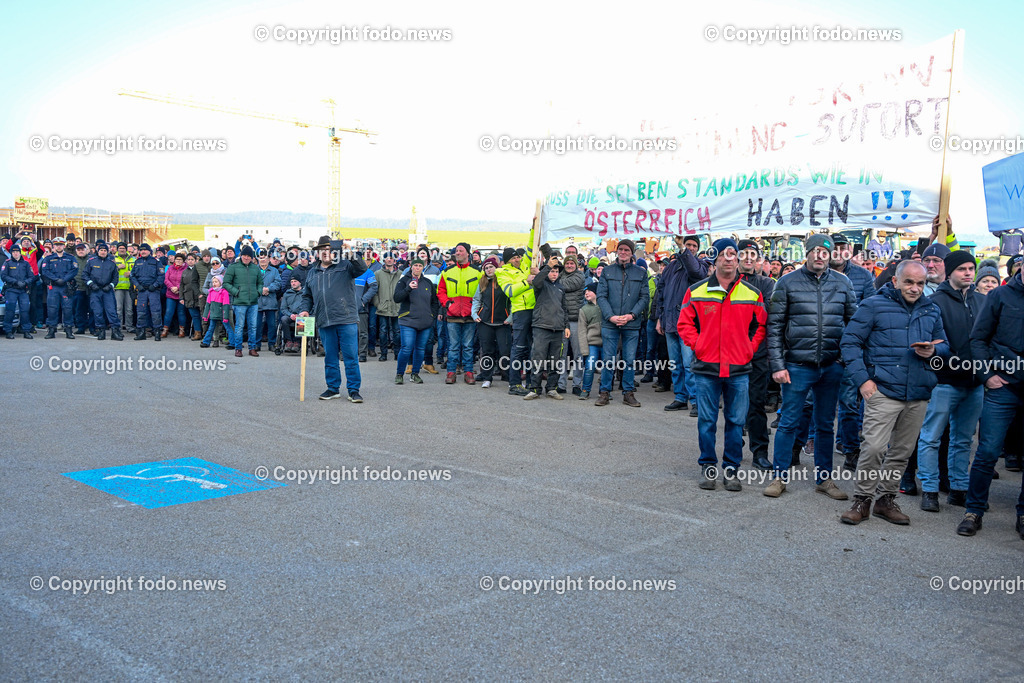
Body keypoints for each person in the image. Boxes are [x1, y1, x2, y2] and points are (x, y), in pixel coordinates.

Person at [839, 260, 948, 525]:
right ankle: (862, 499)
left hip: (918, 392)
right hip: (883, 389)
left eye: (920, 283)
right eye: (909, 282)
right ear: (895, 281)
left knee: (902, 451)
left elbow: (945, 346)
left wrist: (934, 351)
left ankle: (885, 500)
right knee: (874, 447)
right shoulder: (874, 305)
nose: (914, 288)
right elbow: (850, 342)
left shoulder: (931, 309)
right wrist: (863, 382)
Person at [763, 234, 857, 500]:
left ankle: (824, 479)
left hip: (831, 366)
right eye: (815, 251)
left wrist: (842, 358)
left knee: (826, 425)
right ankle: (779, 477)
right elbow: (775, 327)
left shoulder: (843, 283)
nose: (819, 256)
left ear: (830, 255)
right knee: (788, 423)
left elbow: (855, 323)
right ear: (806, 253)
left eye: (824, 252)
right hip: (796, 366)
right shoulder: (787, 282)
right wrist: (778, 365)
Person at [678, 238, 767, 490]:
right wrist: (699, 345)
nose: (729, 258)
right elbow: (684, 324)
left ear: (737, 259)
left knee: (736, 422)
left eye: (733, 254)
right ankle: (708, 466)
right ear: (714, 258)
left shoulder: (752, 293)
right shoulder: (696, 291)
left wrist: (748, 349)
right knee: (706, 420)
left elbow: (761, 326)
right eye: (724, 254)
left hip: (738, 369)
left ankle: (731, 469)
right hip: (707, 369)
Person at [957, 259, 1024, 539]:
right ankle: (973, 511)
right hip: (1003, 387)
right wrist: (987, 376)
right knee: (986, 453)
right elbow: (978, 339)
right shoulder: (1000, 295)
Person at [915, 250, 984, 512]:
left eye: (971, 268)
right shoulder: (934, 302)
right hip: (943, 381)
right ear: (951, 272)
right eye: (962, 269)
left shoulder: (981, 301)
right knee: (931, 437)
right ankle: (930, 489)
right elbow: (930, 342)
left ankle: (959, 488)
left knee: (963, 439)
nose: (968, 273)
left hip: (974, 383)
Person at [829, 234, 879, 470]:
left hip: (851, 348)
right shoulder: (817, 272)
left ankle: (850, 450)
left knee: (849, 403)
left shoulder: (863, 275)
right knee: (813, 401)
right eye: (834, 247)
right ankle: (805, 441)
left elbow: (870, 310)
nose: (839, 252)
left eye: (843, 247)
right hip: (821, 347)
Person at [299, 236, 367, 402]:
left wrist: (350, 251)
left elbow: (362, 268)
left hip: (346, 318)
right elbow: (306, 295)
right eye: (322, 250)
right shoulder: (312, 272)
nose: (325, 253)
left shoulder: (345, 265)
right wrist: (304, 310)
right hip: (324, 320)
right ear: (318, 253)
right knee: (330, 357)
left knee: (350, 357)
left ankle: (353, 390)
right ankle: (332, 388)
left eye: (329, 249)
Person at [595, 239, 650, 407]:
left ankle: (628, 392)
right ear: (616, 251)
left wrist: (631, 315)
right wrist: (611, 316)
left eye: (627, 250)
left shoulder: (640, 273)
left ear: (632, 253)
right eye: (621, 249)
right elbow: (601, 296)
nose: (623, 252)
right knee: (608, 360)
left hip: (631, 324)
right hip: (610, 323)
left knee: (629, 360)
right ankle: (604, 392)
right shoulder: (607, 271)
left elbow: (644, 297)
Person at [736, 239, 775, 470]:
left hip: (757, 351)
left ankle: (759, 451)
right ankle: (733, 446)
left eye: (753, 254)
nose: (749, 258)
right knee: (733, 402)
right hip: (731, 350)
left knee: (757, 403)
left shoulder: (767, 283)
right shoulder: (727, 281)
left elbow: (765, 313)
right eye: (744, 253)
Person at [524, 259, 571, 400]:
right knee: (538, 359)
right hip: (541, 327)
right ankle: (534, 388)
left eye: (556, 271)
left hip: (557, 329)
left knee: (555, 361)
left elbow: (564, 309)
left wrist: (566, 326)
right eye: (552, 271)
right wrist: (547, 267)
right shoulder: (541, 285)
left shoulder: (561, 288)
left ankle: (551, 388)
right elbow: (536, 281)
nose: (554, 273)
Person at [438, 242, 480, 384]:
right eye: (456, 251)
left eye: (461, 251)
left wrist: (476, 307)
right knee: (453, 346)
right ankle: (451, 372)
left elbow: (483, 291)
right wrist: (448, 304)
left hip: (470, 314)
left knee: (468, 346)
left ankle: (468, 372)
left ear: (468, 253)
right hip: (452, 315)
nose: (458, 253)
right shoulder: (447, 272)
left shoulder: (477, 272)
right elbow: (441, 291)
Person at [496, 246, 536, 395]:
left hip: (535, 310)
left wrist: (534, 226)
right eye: (513, 258)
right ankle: (514, 384)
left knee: (533, 349)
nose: (517, 259)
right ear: (507, 261)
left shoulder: (524, 264)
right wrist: (527, 282)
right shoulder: (502, 272)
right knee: (519, 348)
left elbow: (531, 247)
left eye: (518, 257)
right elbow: (510, 291)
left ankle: (532, 383)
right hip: (520, 312)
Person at [393, 258, 439, 384]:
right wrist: (408, 288)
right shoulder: (403, 281)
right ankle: (399, 374)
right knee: (407, 347)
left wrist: (432, 315)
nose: (417, 267)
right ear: (411, 267)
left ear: (423, 267)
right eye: (415, 265)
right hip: (408, 320)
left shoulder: (428, 282)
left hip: (425, 321)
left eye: (420, 265)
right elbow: (396, 298)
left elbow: (434, 301)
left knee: (420, 349)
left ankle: (415, 374)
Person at [472, 256, 511, 389]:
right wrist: (474, 313)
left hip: (503, 322)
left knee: (505, 350)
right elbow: (477, 299)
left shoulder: (504, 281)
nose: (488, 270)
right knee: (487, 351)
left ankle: (509, 375)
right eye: (486, 268)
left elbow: (512, 300)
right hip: (485, 321)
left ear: (496, 268)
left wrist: (510, 317)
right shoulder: (482, 282)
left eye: (491, 267)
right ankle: (487, 377)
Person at [223, 245, 263, 357]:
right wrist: (236, 292)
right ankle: (238, 348)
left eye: (249, 256)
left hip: (253, 302)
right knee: (239, 326)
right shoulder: (233, 267)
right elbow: (226, 283)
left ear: (252, 257)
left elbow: (260, 283)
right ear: (241, 256)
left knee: (253, 326)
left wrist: (258, 292)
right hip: (239, 302)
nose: (246, 258)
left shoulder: (255, 268)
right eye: (244, 255)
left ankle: (252, 348)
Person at [557, 253, 586, 394]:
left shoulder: (579, 276)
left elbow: (565, 286)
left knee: (578, 354)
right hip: (562, 320)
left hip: (575, 320)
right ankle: (561, 384)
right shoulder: (559, 274)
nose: (569, 265)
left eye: (572, 264)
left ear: (576, 265)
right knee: (562, 354)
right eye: (567, 263)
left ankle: (576, 384)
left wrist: (552, 279)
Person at [39, 236, 78, 339]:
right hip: (54, 287)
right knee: (52, 309)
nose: (58, 247)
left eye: (60, 245)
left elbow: (74, 270)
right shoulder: (49, 258)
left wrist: (64, 279)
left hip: (66, 287)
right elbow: (45, 271)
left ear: (63, 246)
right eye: (56, 245)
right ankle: (51, 330)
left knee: (68, 309)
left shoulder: (70, 258)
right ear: (54, 246)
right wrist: (56, 279)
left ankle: (69, 330)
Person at [83, 241, 123, 340]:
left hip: (107, 291)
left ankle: (115, 332)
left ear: (107, 251)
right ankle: (100, 331)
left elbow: (115, 278)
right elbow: (85, 275)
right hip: (95, 290)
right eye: (101, 250)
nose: (103, 252)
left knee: (111, 311)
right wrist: (91, 284)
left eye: (105, 250)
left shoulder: (111, 263)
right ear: (98, 250)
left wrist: (110, 286)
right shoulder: (91, 261)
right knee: (97, 312)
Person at [129, 243, 164, 341]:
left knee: (156, 311)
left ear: (149, 251)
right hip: (142, 290)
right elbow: (132, 276)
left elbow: (161, 275)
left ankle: (157, 332)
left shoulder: (156, 261)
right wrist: (138, 285)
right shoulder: (138, 262)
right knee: (141, 312)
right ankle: (141, 333)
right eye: (141, 250)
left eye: (145, 250)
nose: (143, 252)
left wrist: (155, 285)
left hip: (153, 290)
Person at [1, 244, 36, 338]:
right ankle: (8, 331)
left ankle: (26, 331)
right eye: (14, 252)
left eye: (17, 252)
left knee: (25, 311)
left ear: (20, 253)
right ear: (11, 253)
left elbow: (32, 277)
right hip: (11, 290)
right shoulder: (7, 263)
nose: (16, 253)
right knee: (10, 311)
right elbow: (3, 276)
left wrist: (25, 282)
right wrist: (15, 282)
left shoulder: (26, 263)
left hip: (23, 291)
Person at [374, 255, 402, 363]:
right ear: (384, 260)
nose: (389, 260)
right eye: (387, 258)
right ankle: (383, 353)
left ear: (395, 261)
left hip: (397, 307)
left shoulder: (400, 274)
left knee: (397, 331)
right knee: (383, 331)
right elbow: (374, 291)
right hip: (383, 307)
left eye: (391, 258)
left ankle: (397, 353)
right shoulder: (378, 274)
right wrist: (378, 304)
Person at [577, 283, 603, 400]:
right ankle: (585, 390)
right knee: (590, 367)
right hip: (592, 343)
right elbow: (581, 331)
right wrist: (584, 350)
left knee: (607, 367)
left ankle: (604, 391)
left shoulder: (605, 306)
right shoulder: (584, 310)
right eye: (585, 292)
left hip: (606, 342)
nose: (586, 293)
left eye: (589, 291)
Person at [256, 251, 282, 352]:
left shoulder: (274, 271)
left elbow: (278, 283)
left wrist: (268, 289)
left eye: (265, 258)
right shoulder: (254, 270)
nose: (263, 260)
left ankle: (272, 343)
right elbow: (251, 283)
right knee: (257, 324)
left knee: (272, 324)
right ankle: (256, 344)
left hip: (270, 300)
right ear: (258, 259)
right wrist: (260, 290)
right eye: (261, 258)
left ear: (268, 259)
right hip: (257, 300)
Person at [200, 275, 236, 349]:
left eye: (216, 282)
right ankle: (206, 342)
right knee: (211, 328)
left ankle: (233, 343)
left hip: (222, 314)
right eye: (213, 282)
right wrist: (205, 315)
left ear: (221, 282)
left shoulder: (224, 292)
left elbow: (226, 305)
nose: (214, 283)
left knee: (228, 328)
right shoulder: (211, 292)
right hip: (214, 313)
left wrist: (225, 316)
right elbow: (208, 305)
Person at [354, 264, 377, 362]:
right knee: (346, 332)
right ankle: (345, 353)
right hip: (346, 307)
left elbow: (374, 287)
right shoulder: (345, 271)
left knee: (362, 332)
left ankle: (362, 354)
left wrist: (363, 300)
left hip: (361, 307)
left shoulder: (368, 272)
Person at [162, 252, 187, 338]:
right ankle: (165, 330)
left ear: (183, 261)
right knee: (169, 312)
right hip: (170, 293)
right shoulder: (170, 268)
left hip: (181, 295)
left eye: (180, 259)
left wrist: (177, 288)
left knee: (181, 313)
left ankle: (182, 330)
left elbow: (186, 281)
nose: (178, 261)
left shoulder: (186, 269)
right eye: (177, 259)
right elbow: (166, 279)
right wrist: (172, 287)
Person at [180, 253, 203, 340]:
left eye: (192, 259)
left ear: (196, 260)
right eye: (188, 259)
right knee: (194, 315)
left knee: (202, 315)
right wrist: (181, 297)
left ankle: (205, 332)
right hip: (188, 296)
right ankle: (197, 333)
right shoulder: (184, 272)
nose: (190, 261)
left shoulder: (198, 270)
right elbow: (182, 285)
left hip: (198, 295)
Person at [113, 242, 135, 333]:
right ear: (117, 249)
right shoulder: (113, 259)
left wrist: (131, 273)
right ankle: (118, 327)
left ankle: (129, 326)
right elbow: (108, 271)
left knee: (129, 309)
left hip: (129, 287)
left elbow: (138, 271)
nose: (122, 249)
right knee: (118, 309)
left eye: (123, 248)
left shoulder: (133, 259)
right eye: (120, 248)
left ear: (126, 249)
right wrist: (118, 267)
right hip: (118, 287)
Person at [71, 242, 92, 334]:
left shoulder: (91, 259)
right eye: (78, 250)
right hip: (78, 288)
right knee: (79, 309)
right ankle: (81, 327)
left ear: (86, 250)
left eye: (82, 250)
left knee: (92, 309)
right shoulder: (73, 260)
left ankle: (92, 328)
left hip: (90, 288)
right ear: (76, 251)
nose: (80, 251)